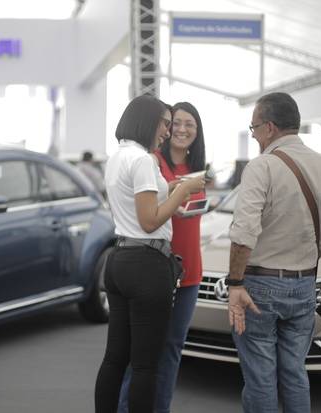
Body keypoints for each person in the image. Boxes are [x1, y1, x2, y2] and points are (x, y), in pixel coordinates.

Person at [226, 92, 321, 413]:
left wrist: (235, 284)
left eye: (254, 127)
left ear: (269, 127)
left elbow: (243, 233)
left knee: (260, 378)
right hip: (303, 288)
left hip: (259, 288)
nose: (253, 134)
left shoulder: (262, 167)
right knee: (295, 374)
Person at [94, 95, 205, 413]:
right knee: (146, 364)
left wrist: (176, 186)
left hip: (119, 259)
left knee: (115, 358)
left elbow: (145, 201)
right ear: (148, 121)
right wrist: (183, 190)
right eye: (166, 123)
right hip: (147, 264)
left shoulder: (119, 156)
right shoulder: (143, 160)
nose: (168, 132)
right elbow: (150, 219)